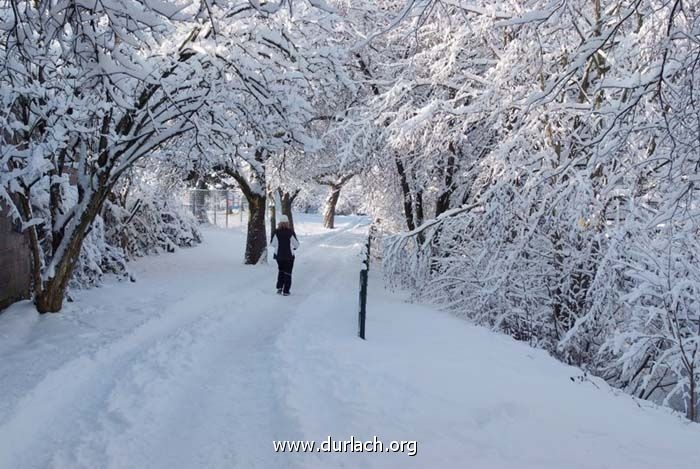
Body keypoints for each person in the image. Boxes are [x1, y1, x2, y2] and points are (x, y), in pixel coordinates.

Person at [270, 215, 299, 296]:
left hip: (279, 256)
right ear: (287, 223)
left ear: (279, 223)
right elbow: (296, 244)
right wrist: (293, 248)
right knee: (288, 273)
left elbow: (272, 244)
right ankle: (286, 291)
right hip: (289, 256)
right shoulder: (290, 232)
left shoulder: (276, 232)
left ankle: (279, 288)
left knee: (281, 271)